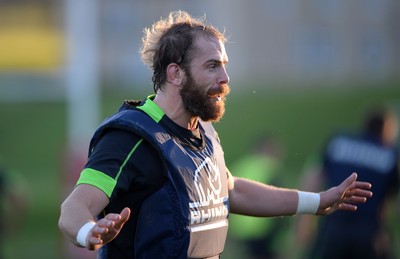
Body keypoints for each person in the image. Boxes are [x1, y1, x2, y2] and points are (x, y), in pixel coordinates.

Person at [58, 10, 373, 259]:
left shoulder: (203, 131)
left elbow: (232, 191)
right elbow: (72, 209)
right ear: (175, 73)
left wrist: (317, 202)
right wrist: (90, 232)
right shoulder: (130, 138)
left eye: (224, 65)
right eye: (212, 66)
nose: (226, 77)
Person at [297, 107, 399, 259]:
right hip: (369, 233)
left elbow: (313, 177)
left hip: (333, 229)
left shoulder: (339, 142)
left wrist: (304, 221)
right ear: (387, 129)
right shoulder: (390, 154)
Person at [228, 135, 288, 259]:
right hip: (262, 224)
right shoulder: (271, 167)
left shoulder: (239, 165)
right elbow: (279, 197)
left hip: (240, 226)